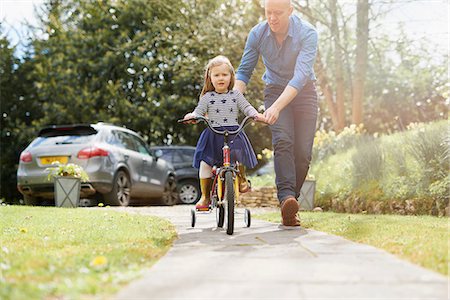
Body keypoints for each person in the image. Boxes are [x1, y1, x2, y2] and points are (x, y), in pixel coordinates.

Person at [235, 0, 318, 226]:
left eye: (278, 13)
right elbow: (244, 71)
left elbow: (300, 77)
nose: (272, 18)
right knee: (283, 141)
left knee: (302, 154)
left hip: (304, 93)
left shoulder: (307, 33)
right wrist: (231, 100)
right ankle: (286, 200)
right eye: (268, 12)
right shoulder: (258, 34)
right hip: (273, 90)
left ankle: (291, 203)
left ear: (290, 11)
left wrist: (277, 108)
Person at [183, 55, 266, 210]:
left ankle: (241, 181)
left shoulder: (236, 95)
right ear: (210, 77)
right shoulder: (207, 97)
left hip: (234, 132)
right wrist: (193, 116)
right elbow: (199, 111)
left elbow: (247, 107)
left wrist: (255, 115)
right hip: (213, 135)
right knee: (205, 164)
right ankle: (205, 197)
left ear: (231, 77)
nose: (221, 78)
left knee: (239, 157)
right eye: (216, 75)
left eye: (224, 74)